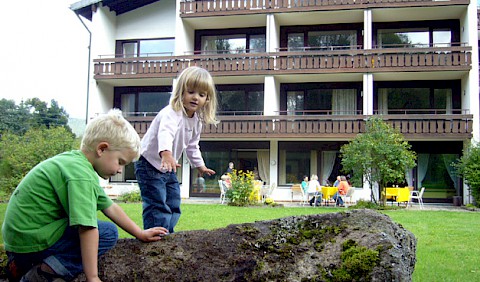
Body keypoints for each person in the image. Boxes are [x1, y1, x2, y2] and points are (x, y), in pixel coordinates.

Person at [2, 109, 168, 282]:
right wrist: (93, 277)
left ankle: (21, 265)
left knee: (103, 229)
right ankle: (43, 273)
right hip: (31, 242)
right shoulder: (80, 175)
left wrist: (140, 233)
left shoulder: (74, 163)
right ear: (102, 149)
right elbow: (87, 228)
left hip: (20, 240)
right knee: (107, 233)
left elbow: (110, 207)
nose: (119, 169)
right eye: (120, 162)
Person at [135, 66, 218, 234]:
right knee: (157, 203)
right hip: (149, 163)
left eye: (201, 95)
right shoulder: (172, 112)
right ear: (181, 92)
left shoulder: (196, 121)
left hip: (168, 166)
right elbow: (165, 132)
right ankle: (156, 237)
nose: (195, 98)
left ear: (207, 99)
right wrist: (166, 153)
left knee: (173, 202)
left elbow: (193, 146)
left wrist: (200, 166)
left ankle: (167, 233)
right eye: (191, 92)